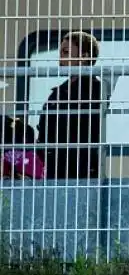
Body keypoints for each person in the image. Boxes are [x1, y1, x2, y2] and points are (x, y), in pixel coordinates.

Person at [37, 31, 104, 179]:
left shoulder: (95, 90)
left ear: (85, 56)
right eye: (61, 52)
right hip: (54, 169)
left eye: (66, 52)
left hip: (79, 170)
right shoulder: (59, 92)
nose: (61, 58)